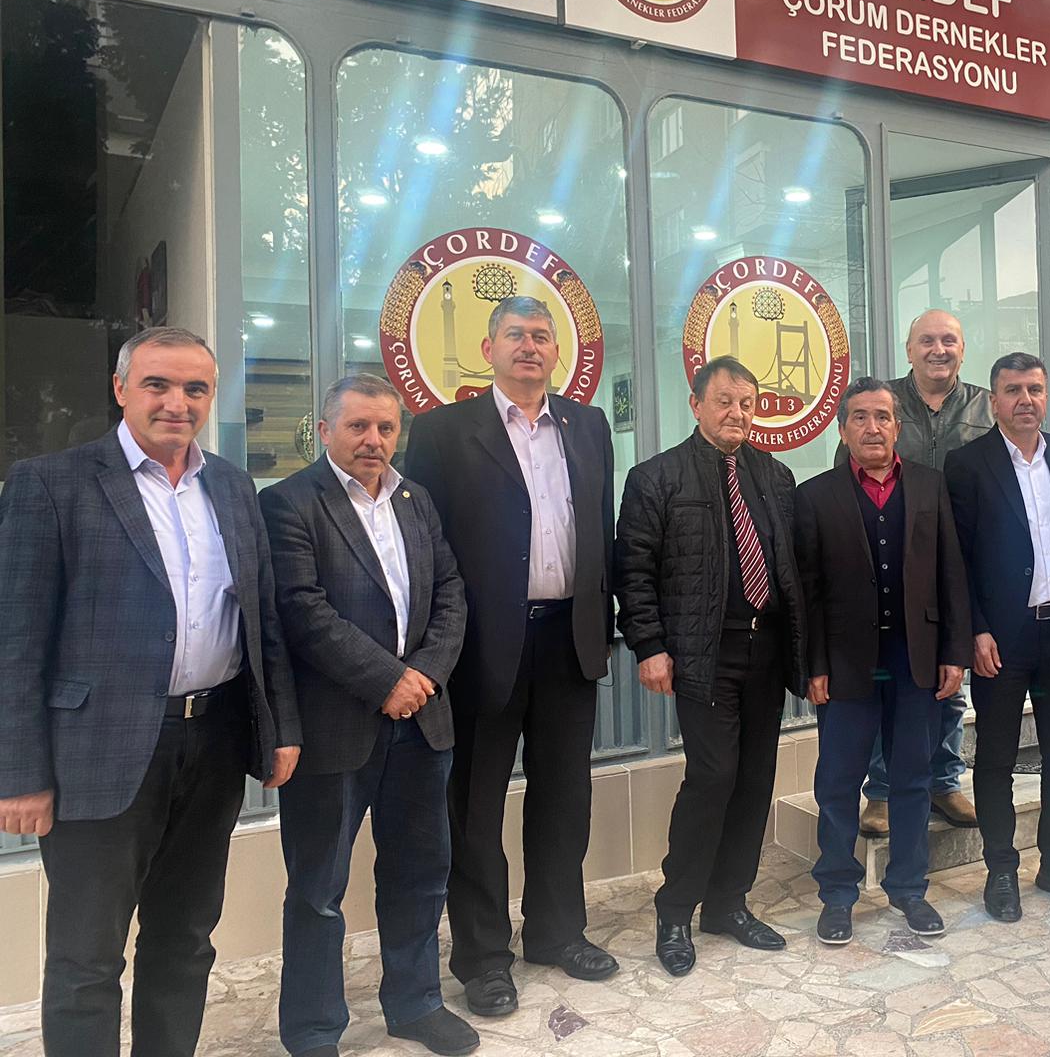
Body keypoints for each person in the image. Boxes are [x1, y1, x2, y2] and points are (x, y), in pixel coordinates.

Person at [0, 326, 301, 1056]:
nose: (177, 402)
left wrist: (280, 728)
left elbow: (260, 620)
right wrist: (20, 773)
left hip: (214, 741)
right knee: (86, 957)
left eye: (195, 388)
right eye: (157, 385)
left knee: (186, 937)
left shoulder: (232, 487)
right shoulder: (52, 484)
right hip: (97, 754)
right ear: (120, 389)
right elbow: (16, 640)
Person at [404, 296, 619, 1016]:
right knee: (474, 808)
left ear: (557, 352)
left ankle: (557, 933)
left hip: (569, 640)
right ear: (488, 348)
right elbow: (424, 549)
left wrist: (603, 623)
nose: (530, 346)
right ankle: (483, 958)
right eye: (516, 335)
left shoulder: (588, 425)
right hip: (479, 649)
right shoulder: (442, 432)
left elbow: (601, 530)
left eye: (541, 336)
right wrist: (432, 648)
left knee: (565, 797)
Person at [260, 375, 475, 1057]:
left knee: (420, 873)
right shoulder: (289, 503)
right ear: (325, 431)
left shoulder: (417, 500)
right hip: (334, 730)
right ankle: (314, 1030)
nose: (373, 440)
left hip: (422, 724)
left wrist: (424, 677)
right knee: (319, 890)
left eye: (385, 427)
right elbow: (302, 611)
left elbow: (451, 592)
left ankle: (416, 1004)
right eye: (357, 426)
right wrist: (388, 680)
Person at [616, 356, 808, 976]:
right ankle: (676, 909)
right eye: (724, 401)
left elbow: (791, 568)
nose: (737, 413)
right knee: (712, 776)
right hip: (704, 653)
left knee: (755, 779)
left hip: (766, 652)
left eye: (747, 403)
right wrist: (649, 646)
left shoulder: (775, 476)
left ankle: (728, 903)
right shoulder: (656, 478)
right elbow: (633, 572)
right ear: (696, 404)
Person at [796, 377, 970, 944]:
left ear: (897, 427)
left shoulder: (929, 485)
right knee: (838, 781)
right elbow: (807, 591)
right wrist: (813, 664)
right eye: (860, 418)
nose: (873, 427)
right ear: (842, 429)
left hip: (915, 660)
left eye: (883, 417)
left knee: (913, 777)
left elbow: (950, 574)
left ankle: (909, 889)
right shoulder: (815, 496)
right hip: (845, 663)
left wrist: (954, 653)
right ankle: (837, 894)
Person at [944, 354, 1050, 922]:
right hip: (1002, 639)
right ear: (994, 401)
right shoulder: (968, 464)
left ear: (1046, 396)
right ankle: (1000, 868)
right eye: (1013, 390)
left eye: (1035, 389)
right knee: (994, 758)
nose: (1025, 399)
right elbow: (957, 559)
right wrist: (975, 629)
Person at [855, 309, 991, 836]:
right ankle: (882, 791)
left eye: (949, 340)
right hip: (893, 563)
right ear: (908, 349)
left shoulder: (986, 406)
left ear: (962, 349)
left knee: (950, 681)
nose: (939, 349)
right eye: (927, 340)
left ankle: (944, 781)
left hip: (963, 560)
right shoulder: (882, 403)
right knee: (887, 678)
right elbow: (852, 473)